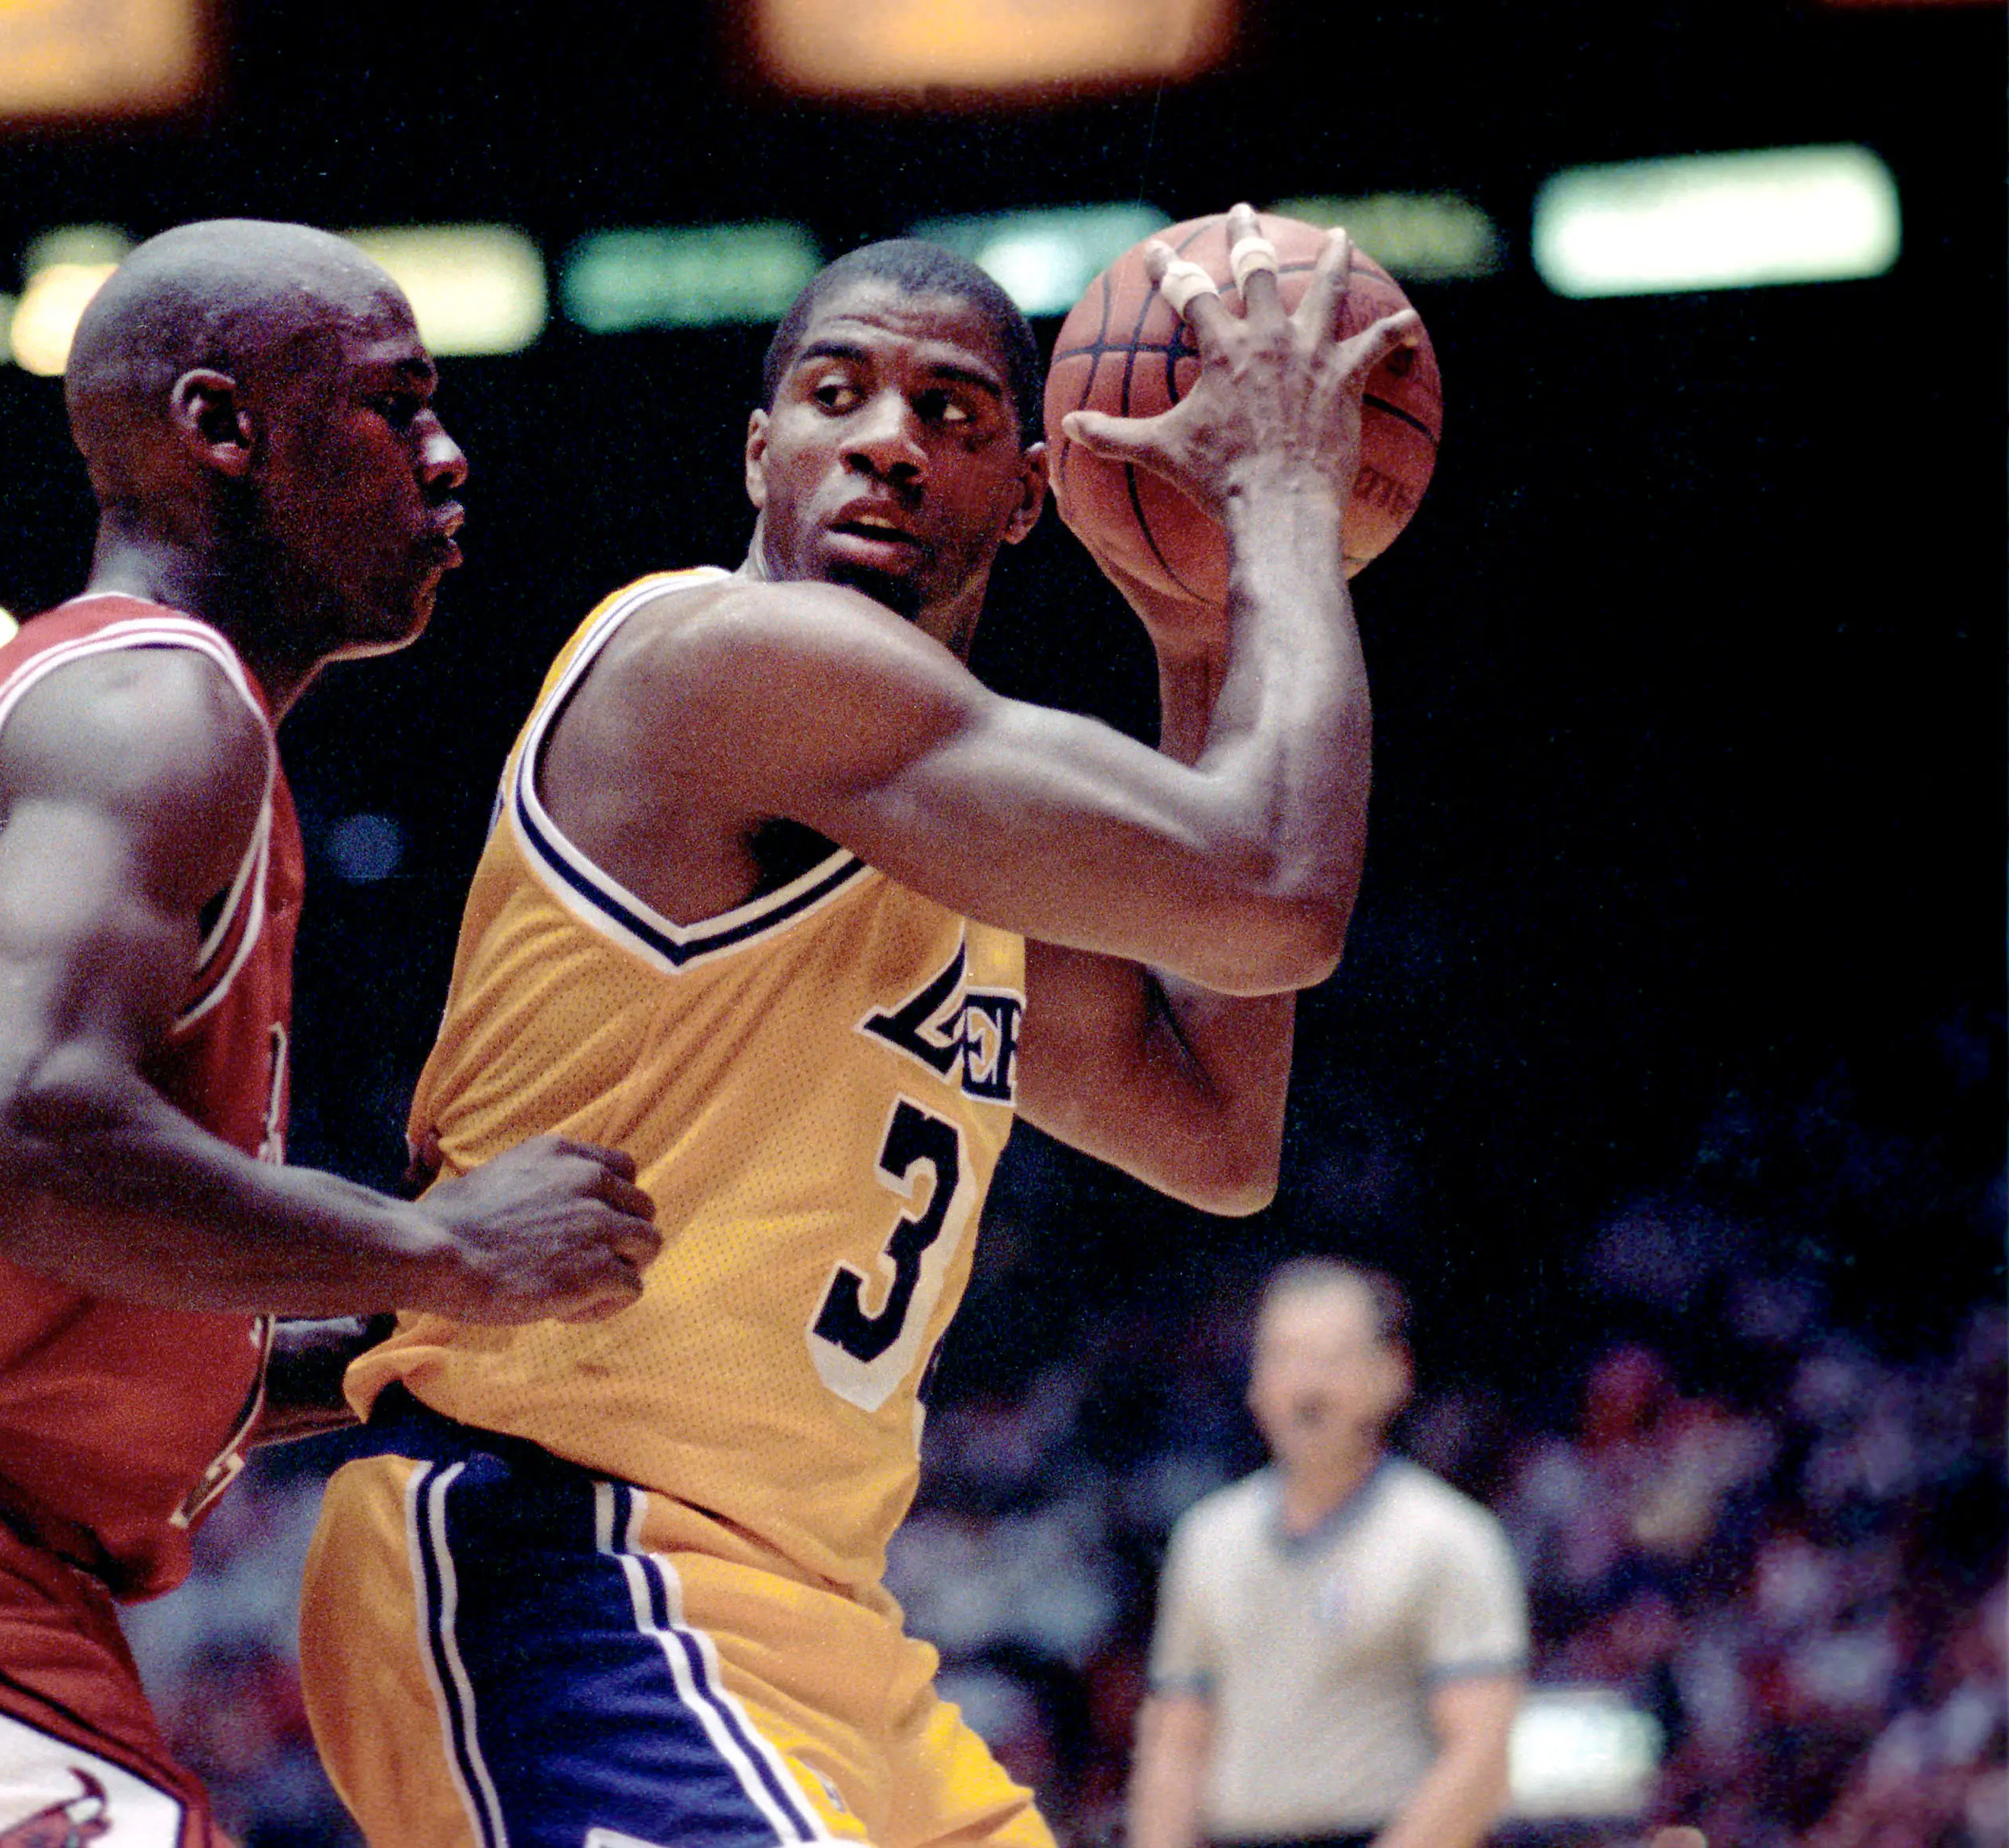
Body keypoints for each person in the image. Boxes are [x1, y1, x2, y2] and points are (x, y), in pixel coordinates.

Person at [294, 206, 1416, 1847]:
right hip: (561, 1562)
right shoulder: (722, 661)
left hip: (810, 1623)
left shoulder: (961, 855)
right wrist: (1290, 497)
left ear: (1032, 494)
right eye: (838, 396)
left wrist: (1194, 630)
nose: (888, 444)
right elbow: (1280, 894)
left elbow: (1216, 1133)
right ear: (760, 455)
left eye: (951, 414)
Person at [0, 218, 661, 1848]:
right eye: (395, 406)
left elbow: (61, 1273)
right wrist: (437, 1251)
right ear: (223, 430)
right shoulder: (160, 706)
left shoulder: (116, 707)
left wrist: (395, 1357)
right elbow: (6, 1146)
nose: (449, 459)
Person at [1128, 1259, 1526, 1848]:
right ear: (1255, 1383)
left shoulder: (1448, 1538)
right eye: (1283, 1356)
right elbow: (1176, 1742)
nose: (1306, 1386)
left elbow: (1480, 1757)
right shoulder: (1207, 1538)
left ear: (1392, 1373)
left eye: (1333, 1358)